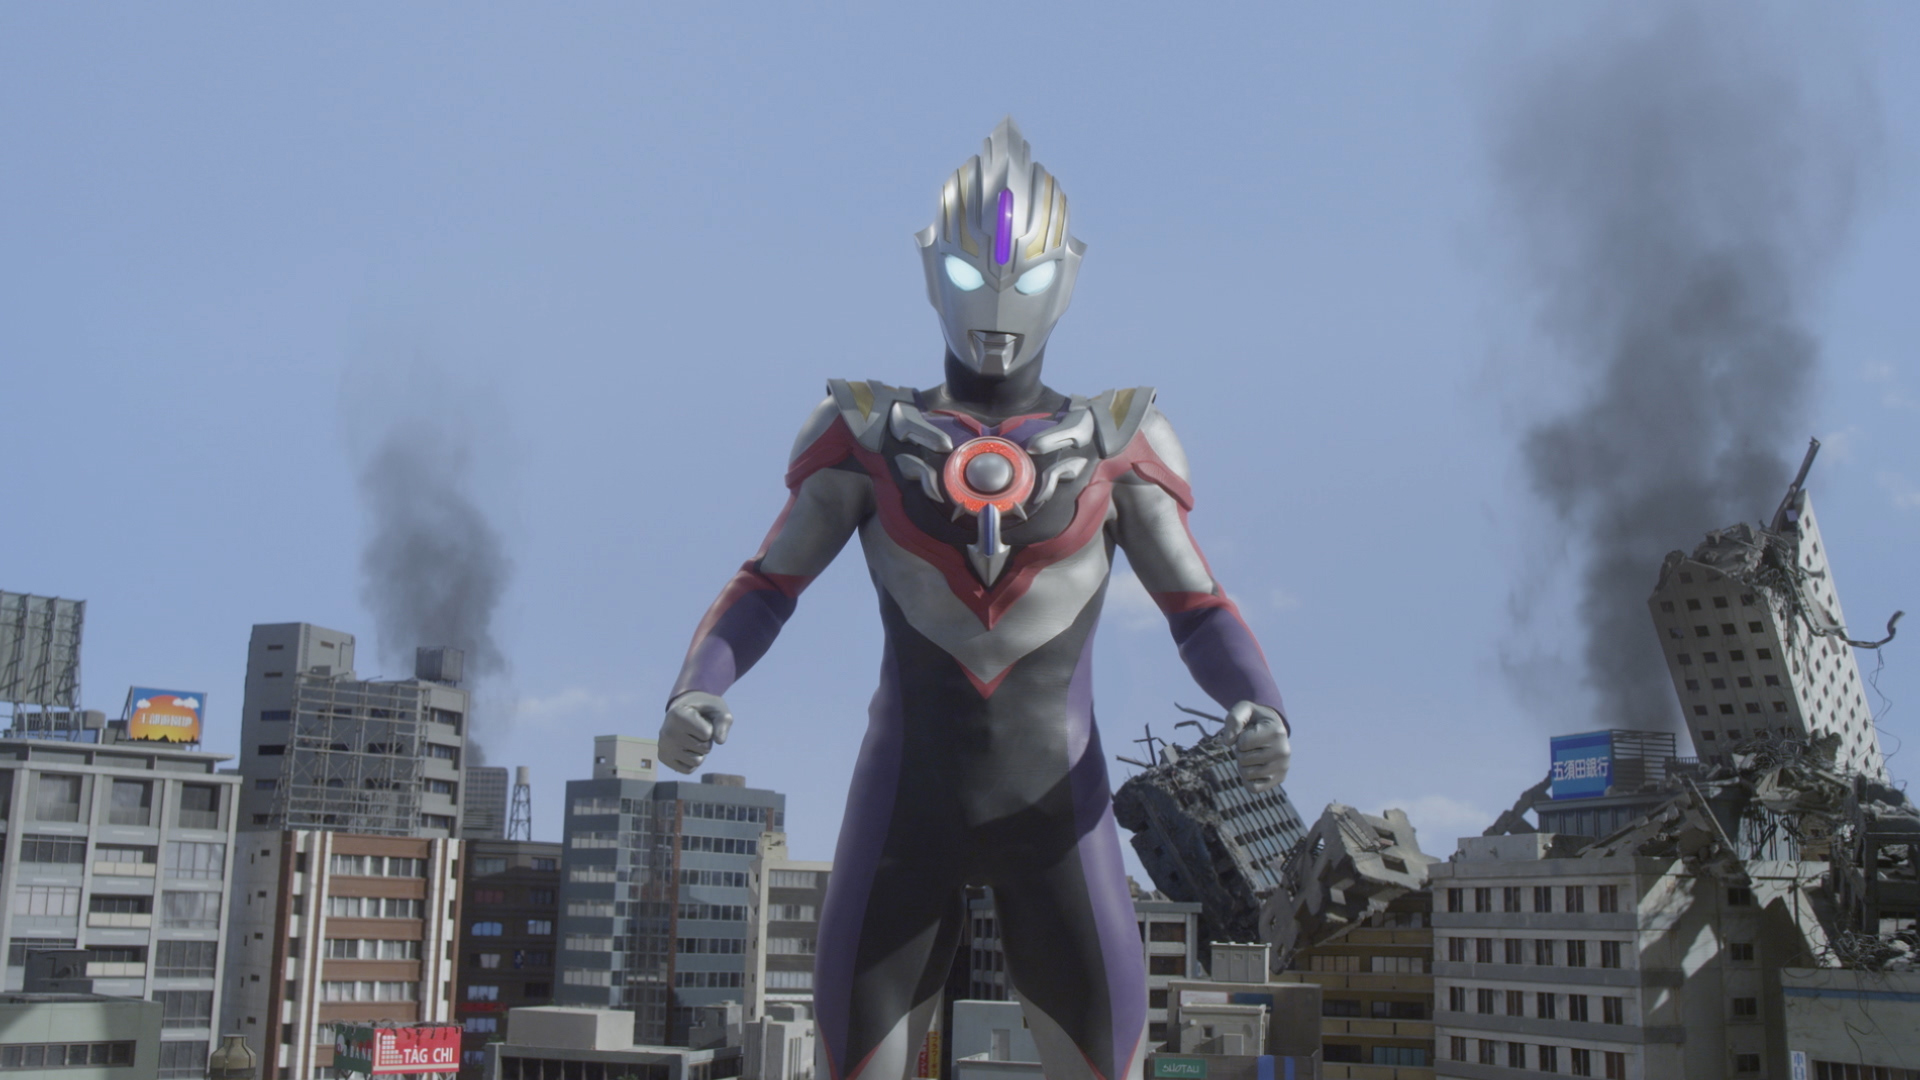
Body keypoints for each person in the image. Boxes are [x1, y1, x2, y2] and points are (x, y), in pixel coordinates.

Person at [659, 118, 1291, 1080]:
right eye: (968, 275)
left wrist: (1259, 702)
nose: (997, 305)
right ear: (931, 270)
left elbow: (1197, 606)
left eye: (1026, 279)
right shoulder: (866, 432)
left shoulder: (1120, 442)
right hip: (907, 809)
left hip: (1056, 812)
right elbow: (768, 584)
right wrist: (697, 685)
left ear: (1066, 277)